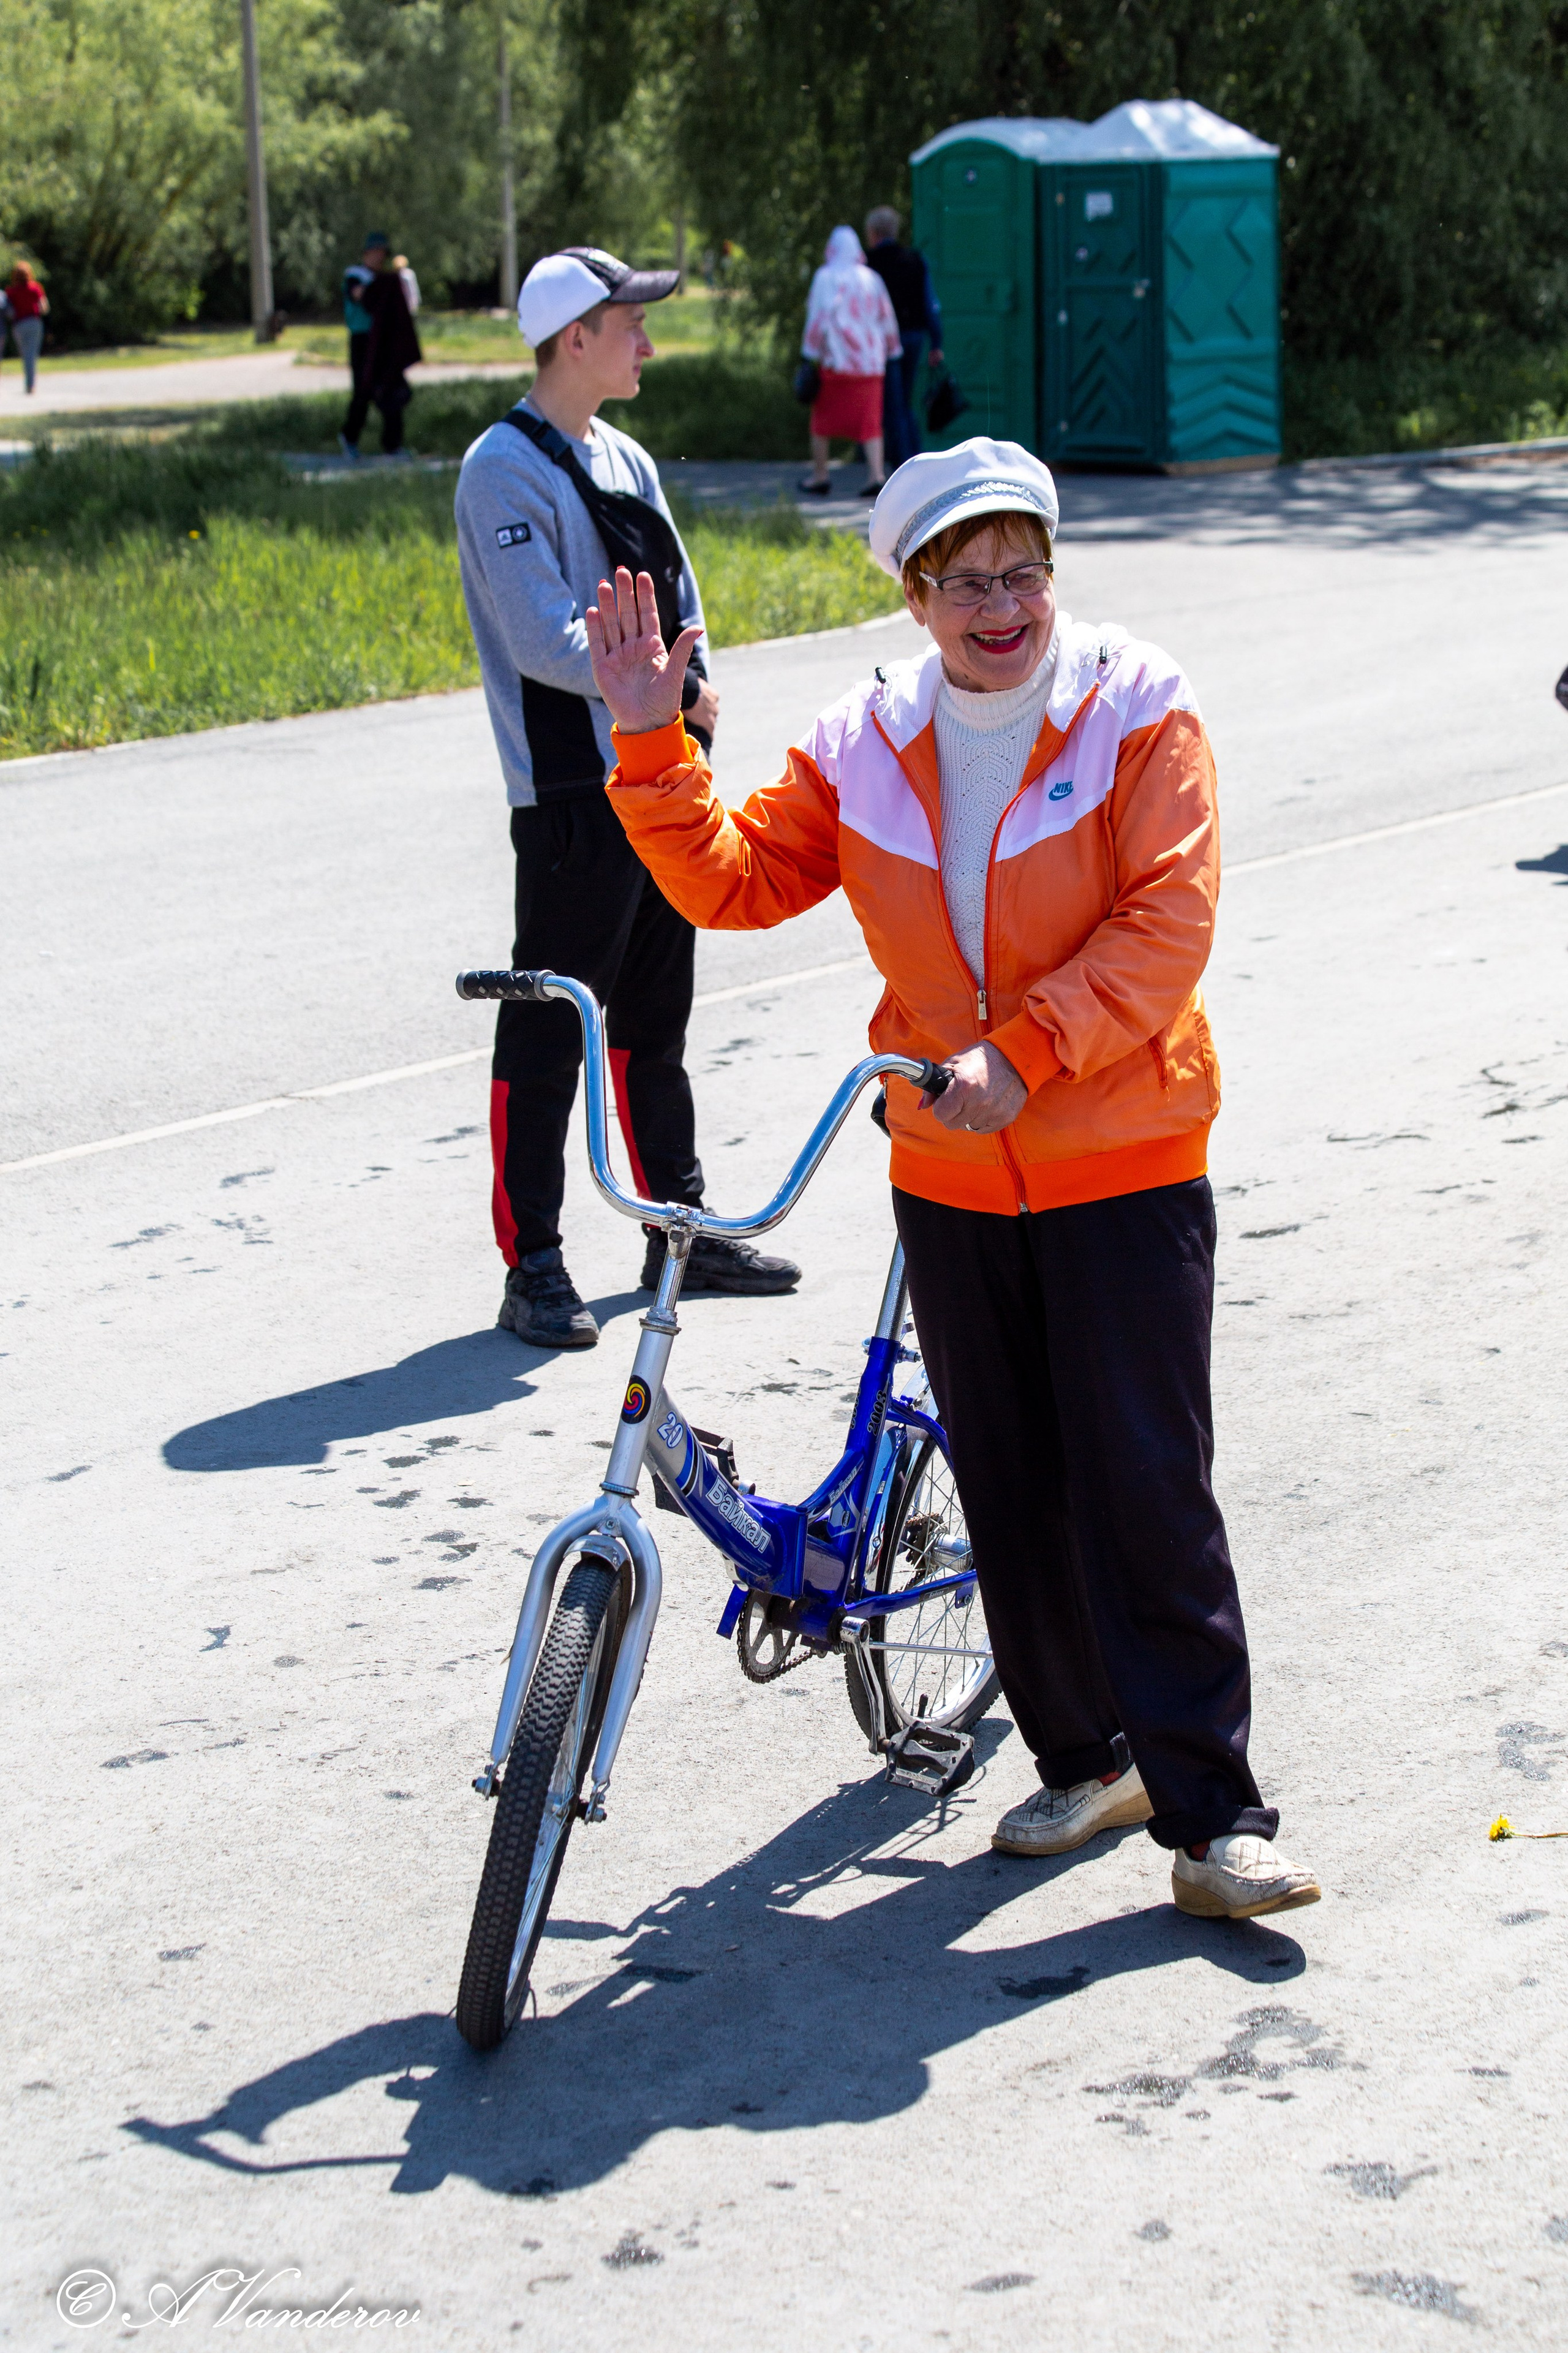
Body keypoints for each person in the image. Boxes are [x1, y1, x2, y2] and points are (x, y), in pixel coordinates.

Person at [581, 437, 1322, 1925]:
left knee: (1143, 1480)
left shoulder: (1135, 706)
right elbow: (733, 879)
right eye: (968, 580)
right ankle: (1085, 1753)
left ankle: (1212, 1811)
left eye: (1024, 569)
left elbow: (1166, 919)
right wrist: (652, 743)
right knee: (1010, 1483)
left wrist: (1027, 1053)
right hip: (951, 1176)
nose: (1004, 603)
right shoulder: (866, 740)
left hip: (1119, 1154)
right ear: (913, 598)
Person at [453, 244, 800, 1348]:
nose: (647, 341)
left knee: (656, 1020)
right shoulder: (500, 469)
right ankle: (534, 1263)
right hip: (571, 795)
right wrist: (658, 686)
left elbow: (682, 600)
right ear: (574, 340)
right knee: (550, 1027)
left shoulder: (629, 458)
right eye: (630, 323)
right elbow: (545, 638)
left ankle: (678, 1231)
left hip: (663, 776)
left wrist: (691, 688)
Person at [798, 227, 900, 500]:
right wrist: (893, 349)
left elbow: (817, 319)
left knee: (822, 421)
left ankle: (821, 476)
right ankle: (876, 476)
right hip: (870, 367)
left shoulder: (824, 277)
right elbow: (886, 317)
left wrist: (810, 353)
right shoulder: (872, 278)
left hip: (836, 364)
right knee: (870, 422)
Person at [863, 207, 944, 470]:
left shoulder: (869, 264)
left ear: (873, 233)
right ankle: (916, 458)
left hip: (885, 341)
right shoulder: (915, 259)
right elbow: (930, 304)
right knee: (906, 401)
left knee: (893, 404)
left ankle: (904, 466)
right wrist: (937, 343)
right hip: (915, 336)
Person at [339, 233, 421, 460]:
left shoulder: (385, 279)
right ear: (367, 253)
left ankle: (393, 445)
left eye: (383, 254)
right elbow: (360, 296)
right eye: (376, 253)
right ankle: (349, 437)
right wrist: (384, 287)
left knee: (392, 389)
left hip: (383, 343)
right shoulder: (355, 276)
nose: (380, 258)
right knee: (363, 392)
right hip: (363, 342)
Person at [5, 260, 49, 395]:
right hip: (34, 323)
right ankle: (30, 385)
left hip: (18, 326)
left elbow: (8, 311)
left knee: (25, 355)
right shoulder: (35, 288)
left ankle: (29, 384)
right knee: (31, 355)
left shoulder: (11, 292)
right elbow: (44, 307)